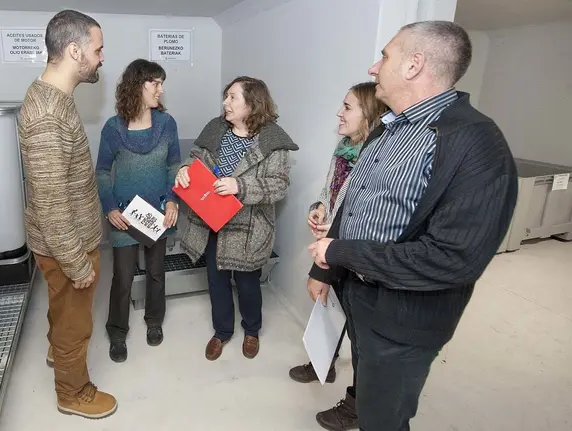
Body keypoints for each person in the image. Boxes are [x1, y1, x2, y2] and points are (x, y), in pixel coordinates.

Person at [307, 21, 518, 431]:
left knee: (385, 419)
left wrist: (338, 253)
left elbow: (454, 258)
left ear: (413, 65)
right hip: (360, 296)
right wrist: (326, 270)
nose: (373, 67)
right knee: (369, 396)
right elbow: (354, 205)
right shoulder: (388, 129)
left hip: (405, 317)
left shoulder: (476, 143)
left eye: (385, 55)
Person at [17, 10, 117, 419]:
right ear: (74, 51)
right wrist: (77, 265)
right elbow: (53, 204)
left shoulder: (53, 98)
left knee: (61, 310)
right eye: (97, 49)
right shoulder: (47, 117)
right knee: (76, 323)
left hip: (63, 239)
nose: (101, 57)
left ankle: (59, 356)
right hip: (65, 244)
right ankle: (72, 393)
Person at [175, 76, 298, 361]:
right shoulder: (215, 129)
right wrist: (184, 169)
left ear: (252, 103)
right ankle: (222, 332)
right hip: (211, 220)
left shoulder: (272, 140)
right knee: (216, 280)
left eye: (232, 97)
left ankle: (252, 330)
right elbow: (195, 159)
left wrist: (239, 187)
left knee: (247, 284)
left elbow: (279, 185)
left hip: (249, 228)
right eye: (225, 96)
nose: (225, 103)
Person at [288, 81, 387, 387]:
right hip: (331, 242)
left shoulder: (379, 157)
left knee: (358, 326)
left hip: (353, 248)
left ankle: (359, 398)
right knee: (324, 301)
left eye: (347, 107)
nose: (339, 113)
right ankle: (323, 362)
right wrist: (319, 207)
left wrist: (336, 230)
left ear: (368, 112)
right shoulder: (344, 147)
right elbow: (332, 189)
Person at [95, 58, 181, 363]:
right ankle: (117, 332)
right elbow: (103, 171)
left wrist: (172, 199)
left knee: (157, 272)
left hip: (157, 212)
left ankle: (154, 321)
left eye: (161, 82)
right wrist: (108, 208)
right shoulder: (113, 128)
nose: (161, 89)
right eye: (154, 83)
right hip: (124, 215)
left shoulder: (167, 125)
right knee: (122, 277)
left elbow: (174, 165)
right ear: (137, 85)